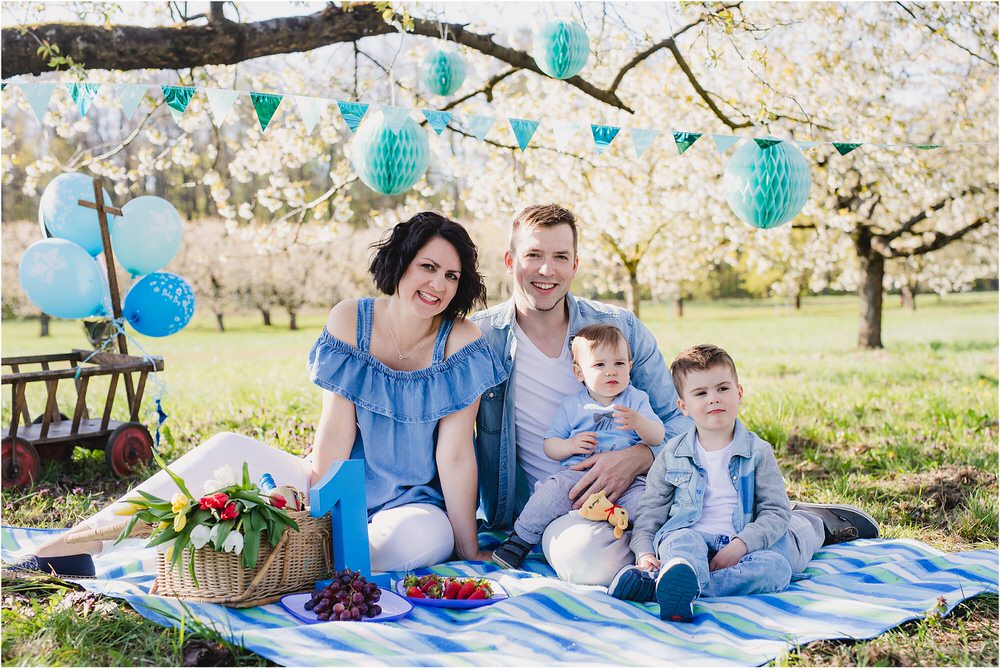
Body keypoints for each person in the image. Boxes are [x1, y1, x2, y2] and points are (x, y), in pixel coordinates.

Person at [11, 211, 505, 576]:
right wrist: (315, 502)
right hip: (333, 483)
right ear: (402, 263)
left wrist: (468, 550)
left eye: (452, 276)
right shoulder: (350, 319)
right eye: (428, 267)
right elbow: (336, 427)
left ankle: (286, 562)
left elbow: (455, 453)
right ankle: (73, 547)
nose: (438, 285)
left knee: (400, 544)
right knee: (225, 447)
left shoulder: (461, 342)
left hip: (413, 505)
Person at [472, 204, 879, 586]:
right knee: (588, 561)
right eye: (533, 255)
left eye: (561, 256)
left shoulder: (617, 329)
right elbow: (449, 439)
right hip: (555, 504)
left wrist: (638, 457)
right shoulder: (480, 338)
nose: (547, 269)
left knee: (711, 539)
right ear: (510, 261)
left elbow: (681, 418)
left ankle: (803, 524)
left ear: (575, 265)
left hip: (641, 490)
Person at [609, 344, 793, 622]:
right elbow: (652, 510)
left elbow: (777, 512)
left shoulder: (758, 451)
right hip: (688, 538)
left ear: (739, 393)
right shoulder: (672, 453)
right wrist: (644, 551)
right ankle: (681, 578)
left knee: (777, 568)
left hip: (738, 546)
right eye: (700, 393)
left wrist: (742, 545)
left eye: (722, 389)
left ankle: (667, 588)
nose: (714, 399)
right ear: (684, 406)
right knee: (681, 541)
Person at [492, 324, 664, 569]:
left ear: (630, 367)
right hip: (577, 477)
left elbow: (657, 436)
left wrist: (639, 423)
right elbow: (550, 445)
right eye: (599, 365)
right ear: (579, 372)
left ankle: (647, 553)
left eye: (619, 363)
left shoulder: (636, 400)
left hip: (628, 480)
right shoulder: (573, 405)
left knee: (647, 507)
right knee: (549, 496)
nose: (611, 372)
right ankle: (519, 541)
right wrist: (571, 445)